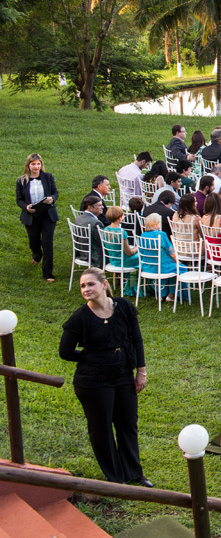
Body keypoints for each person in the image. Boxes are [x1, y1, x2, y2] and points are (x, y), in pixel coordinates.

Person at [59, 268, 150, 486]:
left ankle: (134, 474)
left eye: (90, 284)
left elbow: (136, 340)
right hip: (93, 381)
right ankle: (116, 479)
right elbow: (65, 352)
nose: (86, 289)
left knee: (128, 423)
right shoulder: (80, 318)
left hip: (122, 375)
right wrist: (91, 357)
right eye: (82, 286)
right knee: (102, 430)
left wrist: (141, 371)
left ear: (104, 284)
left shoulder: (124, 307)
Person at [17, 152, 60, 282]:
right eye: (33, 164)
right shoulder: (21, 181)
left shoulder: (47, 177)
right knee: (34, 242)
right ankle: (37, 254)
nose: (36, 167)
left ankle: (48, 273)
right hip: (31, 215)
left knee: (47, 244)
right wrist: (26, 207)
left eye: (38, 164)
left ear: (41, 165)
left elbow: (55, 193)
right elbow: (19, 199)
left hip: (47, 214)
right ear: (28, 165)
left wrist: (52, 199)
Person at [140, 213, 179, 302]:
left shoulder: (143, 235)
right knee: (179, 268)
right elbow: (171, 251)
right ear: (156, 223)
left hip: (147, 267)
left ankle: (161, 294)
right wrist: (178, 261)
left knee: (168, 268)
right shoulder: (161, 234)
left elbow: (141, 252)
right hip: (161, 266)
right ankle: (171, 295)